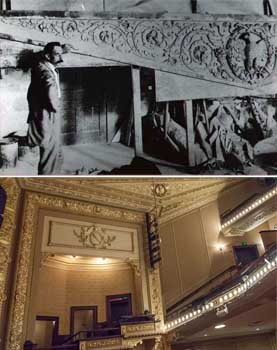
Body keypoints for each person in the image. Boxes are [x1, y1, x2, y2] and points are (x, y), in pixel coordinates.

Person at [27, 42, 64, 175]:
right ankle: (47, 178)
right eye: (57, 54)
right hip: (48, 113)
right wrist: (56, 107)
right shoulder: (45, 71)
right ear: (47, 55)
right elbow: (50, 90)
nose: (61, 57)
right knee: (49, 150)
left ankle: (54, 175)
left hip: (47, 112)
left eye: (62, 54)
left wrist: (62, 49)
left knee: (53, 149)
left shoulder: (43, 64)